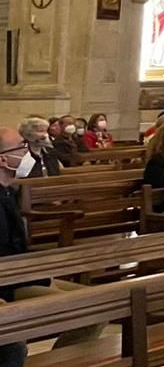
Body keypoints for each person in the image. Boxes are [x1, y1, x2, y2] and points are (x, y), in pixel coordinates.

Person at [1, 128, 102, 346]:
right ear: (3, 159)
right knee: (87, 312)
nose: (27, 151)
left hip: (24, 274)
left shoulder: (8, 191)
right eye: (21, 146)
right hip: (9, 284)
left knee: (100, 303)